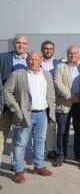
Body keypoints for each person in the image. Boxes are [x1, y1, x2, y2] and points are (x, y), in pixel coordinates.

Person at [3, 51, 56, 183]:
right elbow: (6, 92)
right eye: (31, 59)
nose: (33, 62)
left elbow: (51, 93)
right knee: (20, 143)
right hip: (25, 115)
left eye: (36, 59)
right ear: (27, 61)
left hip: (42, 113)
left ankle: (38, 166)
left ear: (41, 60)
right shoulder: (18, 74)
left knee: (39, 141)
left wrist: (51, 108)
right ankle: (18, 170)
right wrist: (16, 109)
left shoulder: (47, 74)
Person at [53, 45, 80, 166]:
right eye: (70, 53)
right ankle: (61, 155)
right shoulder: (60, 66)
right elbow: (57, 83)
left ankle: (78, 155)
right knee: (62, 131)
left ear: (79, 54)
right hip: (65, 102)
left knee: (79, 131)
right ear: (67, 54)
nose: (73, 55)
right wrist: (70, 96)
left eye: (75, 53)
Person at [0, 35, 29, 165]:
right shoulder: (3, 58)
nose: (21, 45)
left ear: (27, 45)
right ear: (13, 43)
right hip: (5, 106)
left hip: (22, 108)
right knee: (1, 138)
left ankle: (15, 165)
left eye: (23, 43)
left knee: (18, 139)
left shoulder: (32, 59)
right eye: (18, 42)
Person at [40, 40, 62, 160]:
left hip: (53, 99)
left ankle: (50, 150)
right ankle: (35, 152)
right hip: (38, 98)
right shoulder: (36, 61)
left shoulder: (58, 63)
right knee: (36, 125)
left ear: (53, 50)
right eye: (46, 48)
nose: (48, 50)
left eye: (50, 49)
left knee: (51, 125)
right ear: (42, 49)